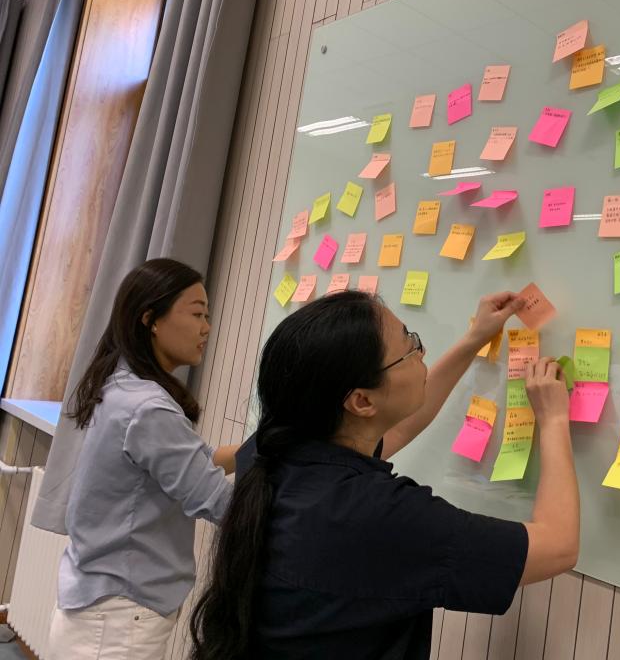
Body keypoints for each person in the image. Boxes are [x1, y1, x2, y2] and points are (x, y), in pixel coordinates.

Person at [190, 290, 580, 659]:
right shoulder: (376, 516)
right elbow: (559, 546)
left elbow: (399, 428)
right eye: (409, 347)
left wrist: (473, 340)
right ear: (361, 401)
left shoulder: (272, 451)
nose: (421, 351)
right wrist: (553, 419)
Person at [48, 258, 240, 660]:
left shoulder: (123, 387)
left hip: (103, 608)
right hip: (117, 621)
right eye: (197, 314)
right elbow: (216, 500)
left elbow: (195, 461)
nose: (207, 327)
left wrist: (266, 446)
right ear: (151, 319)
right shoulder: (147, 407)